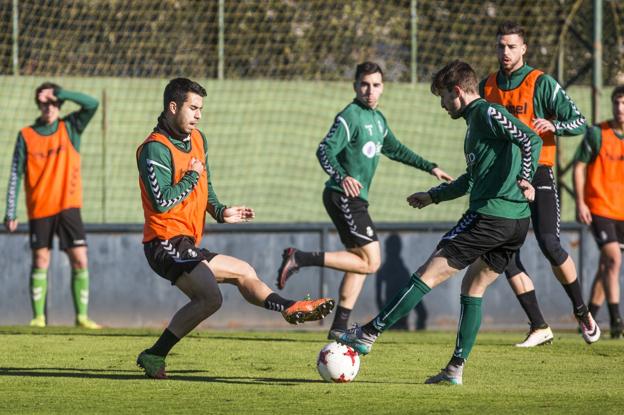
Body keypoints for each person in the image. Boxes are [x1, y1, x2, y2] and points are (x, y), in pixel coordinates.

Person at [339, 60, 542, 385]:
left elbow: (531, 139)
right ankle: (454, 370)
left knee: (427, 274)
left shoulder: (487, 113)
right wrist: (433, 196)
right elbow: (471, 180)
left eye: (443, 97)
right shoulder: (476, 125)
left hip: (491, 216)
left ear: (457, 91)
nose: (443, 105)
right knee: (473, 287)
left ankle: (368, 334)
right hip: (514, 223)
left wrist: (525, 178)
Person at [135, 78, 335, 379]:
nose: (198, 115)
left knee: (243, 271)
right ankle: (154, 354)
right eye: (192, 108)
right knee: (211, 297)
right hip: (164, 241)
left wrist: (219, 210)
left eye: (201, 108)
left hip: (185, 241)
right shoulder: (154, 149)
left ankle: (291, 307)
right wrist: (191, 177)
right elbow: (162, 202)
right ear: (172, 107)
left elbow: (206, 185)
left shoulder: (198, 140)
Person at [275, 61, 452, 341]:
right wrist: (342, 176)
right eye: (364, 85)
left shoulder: (378, 120)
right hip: (344, 195)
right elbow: (324, 150)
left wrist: (430, 167)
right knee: (372, 262)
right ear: (355, 86)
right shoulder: (351, 116)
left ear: (383, 87)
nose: (370, 91)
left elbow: (396, 149)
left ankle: (338, 327)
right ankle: (300, 258)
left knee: (358, 261)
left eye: (376, 85)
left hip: (355, 198)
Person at [480, 21, 598, 347]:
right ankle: (538, 325)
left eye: (511, 46)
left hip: (539, 172)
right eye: (501, 46)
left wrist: (554, 125)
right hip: (504, 180)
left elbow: (579, 121)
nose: (505, 52)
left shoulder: (540, 82)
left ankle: (581, 311)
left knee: (549, 243)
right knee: (503, 251)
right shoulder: (487, 85)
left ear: (523, 48)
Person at [4, 83, 101, 329]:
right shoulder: (26, 134)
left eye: (54, 102)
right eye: (44, 102)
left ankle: (81, 317)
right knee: (40, 261)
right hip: (40, 208)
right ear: (38, 105)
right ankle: (38, 318)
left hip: (68, 206)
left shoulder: (70, 127)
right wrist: (10, 210)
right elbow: (16, 172)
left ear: (59, 104)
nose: (49, 107)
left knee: (80, 259)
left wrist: (62, 93)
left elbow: (92, 104)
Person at [573, 85, 624, 339]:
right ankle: (617, 322)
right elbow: (579, 167)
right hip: (599, 208)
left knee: (607, 266)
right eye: (617, 102)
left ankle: (588, 317)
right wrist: (581, 203)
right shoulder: (597, 134)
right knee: (614, 259)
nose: (620, 108)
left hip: (622, 211)